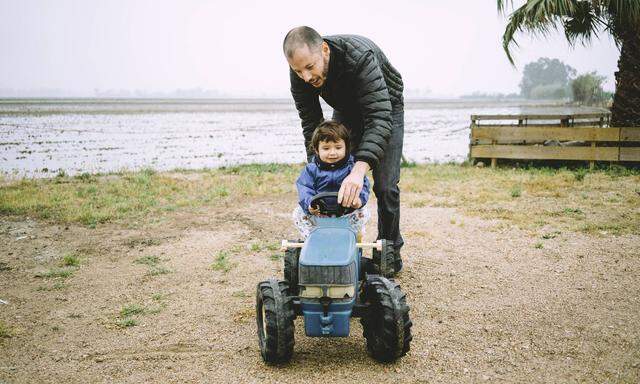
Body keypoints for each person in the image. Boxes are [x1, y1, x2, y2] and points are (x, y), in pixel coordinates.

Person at [283, 26, 405, 272]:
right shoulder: (300, 73)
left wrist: (359, 170)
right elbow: (311, 124)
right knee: (334, 174)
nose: (306, 77)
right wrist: (317, 168)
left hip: (385, 108)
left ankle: (389, 252)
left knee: (385, 186)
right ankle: (335, 246)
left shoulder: (359, 58)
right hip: (346, 109)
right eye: (298, 71)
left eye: (310, 67)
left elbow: (378, 117)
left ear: (324, 50)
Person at [293, 121, 370, 240]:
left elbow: (363, 185)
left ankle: (354, 234)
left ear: (346, 148)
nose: (332, 153)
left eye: (338, 147)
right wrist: (310, 205)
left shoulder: (352, 169)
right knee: (298, 214)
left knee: (363, 212)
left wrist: (359, 200)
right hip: (320, 214)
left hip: (346, 212)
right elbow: (305, 188)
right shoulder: (311, 170)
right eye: (326, 148)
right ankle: (312, 238)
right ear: (317, 150)